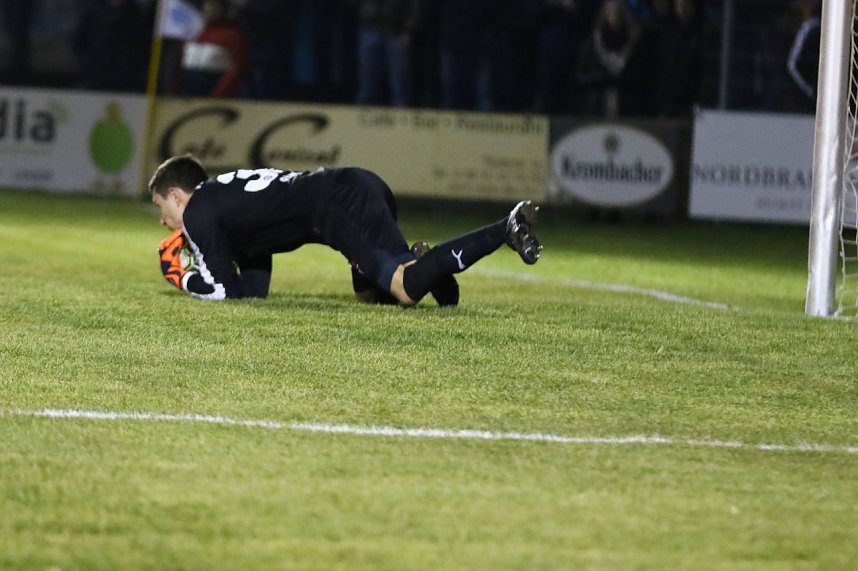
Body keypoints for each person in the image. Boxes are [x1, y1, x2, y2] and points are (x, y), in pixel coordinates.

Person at [150, 155, 542, 306]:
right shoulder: (224, 201)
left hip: (338, 204)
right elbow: (251, 292)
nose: (163, 220)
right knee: (373, 296)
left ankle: (504, 228)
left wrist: (182, 276)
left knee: (405, 288)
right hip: (353, 188)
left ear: (177, 196)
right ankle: (429, 267)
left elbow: (223, 292)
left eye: (161, 207)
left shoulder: (199, 210)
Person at [176, 0, 250, 98]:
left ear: (222, 10)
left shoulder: (233, 36)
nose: (209, 10)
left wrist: (220, 93)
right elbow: (179, 62)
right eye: (207, 6)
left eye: (214, 7)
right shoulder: (192, 31)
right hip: (187, 89)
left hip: (214, 87)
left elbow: (237, 67)